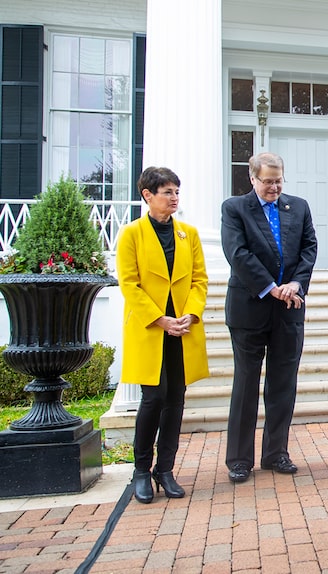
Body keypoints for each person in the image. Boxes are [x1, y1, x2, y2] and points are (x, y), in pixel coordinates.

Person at [221, 152, 318, 483]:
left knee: (283, 384)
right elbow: (238, 254)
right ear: (253, 179)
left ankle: (276, 452)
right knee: (246, 385)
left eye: (279, 181)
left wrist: (295, 284)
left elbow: (309, 248)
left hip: (289, 308)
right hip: (250, 308)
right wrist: (270, 287)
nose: (275, 187)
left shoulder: (299, 207)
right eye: (268, 182)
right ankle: (239, 459)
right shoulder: (234, 209)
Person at [117, 166, 209, 504]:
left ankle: (165, 469)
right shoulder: (132, 235)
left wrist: (191, 313)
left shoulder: (189, 234)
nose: (174, 198)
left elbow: (200, 279)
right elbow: (129, 284)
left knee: (176, 399)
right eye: (167, 192)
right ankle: (142, 470)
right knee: (153, 397)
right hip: (151, 329)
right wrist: (161, 319)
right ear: (147, 195)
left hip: (182, 329)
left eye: (176, 192)